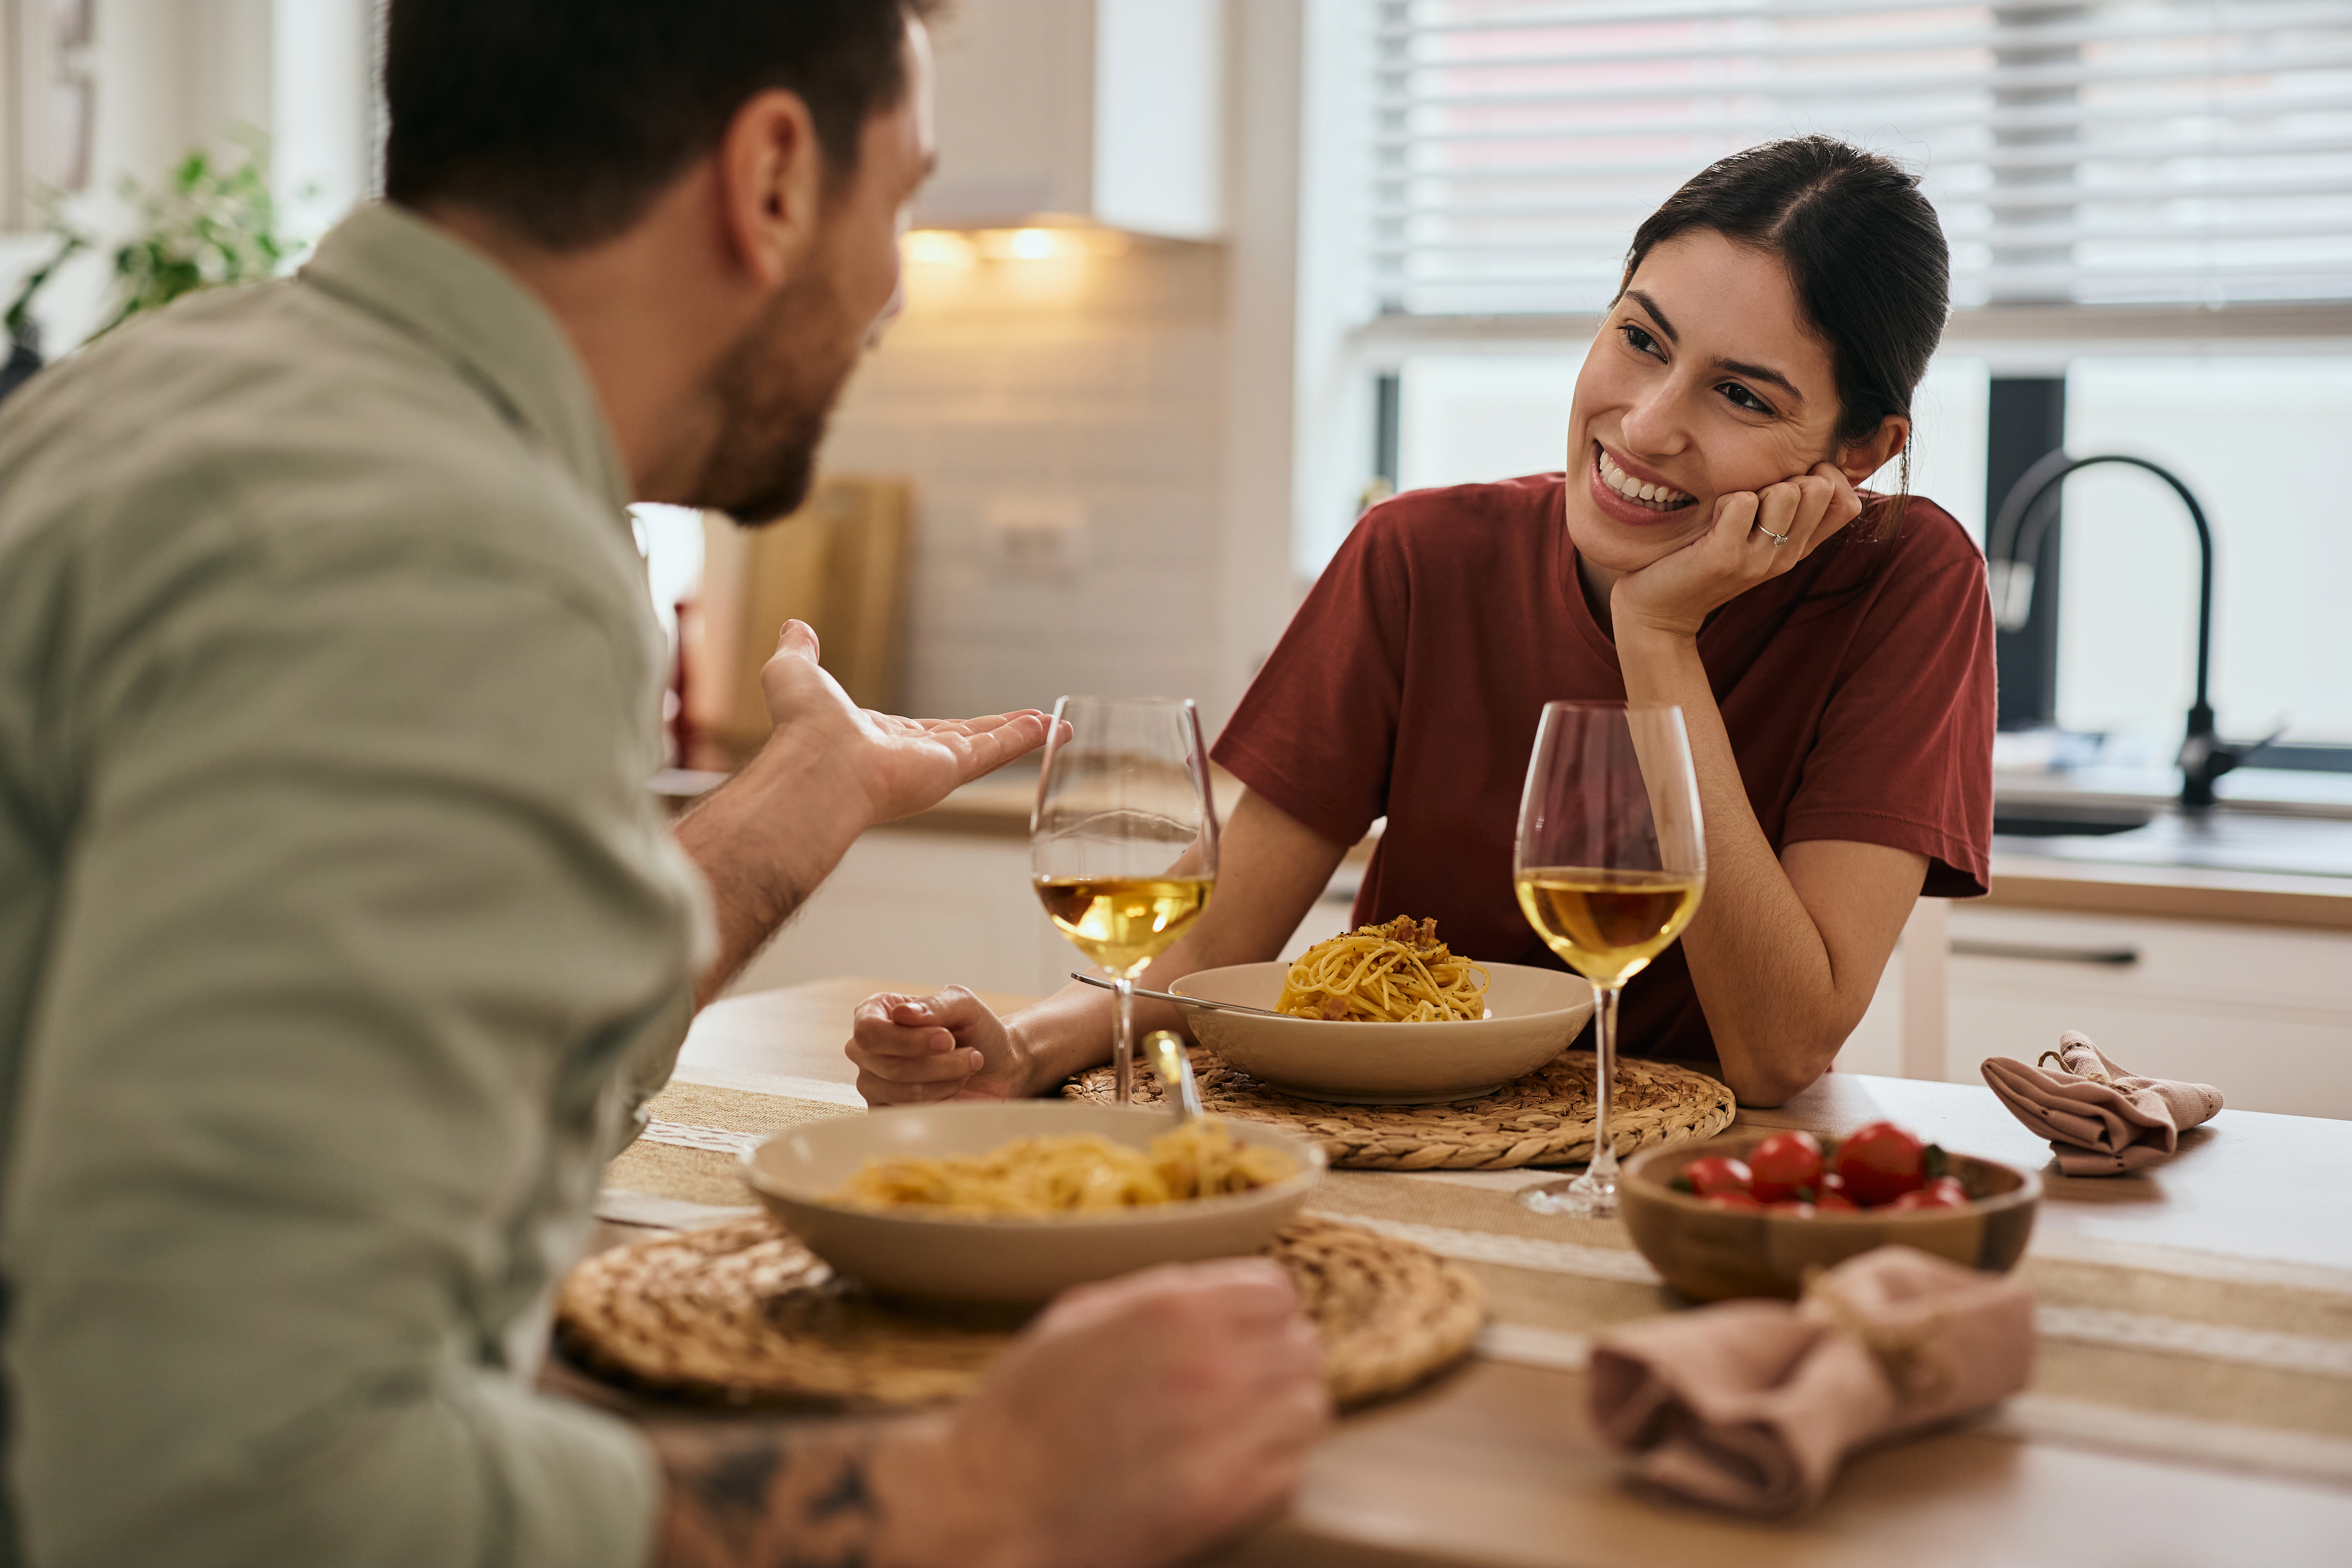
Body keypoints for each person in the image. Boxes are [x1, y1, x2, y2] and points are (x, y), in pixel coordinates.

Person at [0, 3, 1327, 1565]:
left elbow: (477, 1076)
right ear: (770, 176)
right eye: (897, 194)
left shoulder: (159, 394)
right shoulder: (442, 549)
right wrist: (977, 1494)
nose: (896, 285)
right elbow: (216, 1493)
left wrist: (813, 791)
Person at [851, 137, 1995, 1113]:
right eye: (1641, 340)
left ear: (1857, 452)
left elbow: (1779, 1053)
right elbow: (1208, 949)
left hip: (1697, 1180)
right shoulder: (1421, 557)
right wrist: (1024, 1049)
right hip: (1393, 1145)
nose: (1646, 427)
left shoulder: (1908, 585)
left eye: (1742, 396)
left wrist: (1659, 643)